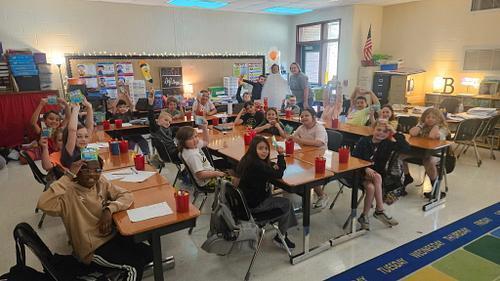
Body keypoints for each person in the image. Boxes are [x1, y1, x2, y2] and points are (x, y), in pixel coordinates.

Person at [37, 157, 152, 280]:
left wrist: (109, 210)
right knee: (134, 266)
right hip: (93, 248)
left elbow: (127, 195)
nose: (92, 174)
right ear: (78, 172)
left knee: (150, 253)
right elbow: (43, 203)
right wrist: (68, 175)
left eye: (97, 170)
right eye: (86, 170)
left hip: (111, 236)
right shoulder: (68, 193)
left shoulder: (100, 182)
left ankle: (117, 272)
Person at [236, 136, 297, 250]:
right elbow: (279, 174)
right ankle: (282, 235)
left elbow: (267, 168)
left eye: (266, 149)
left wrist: (271, 165)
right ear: (254, 149)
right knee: (287, 203)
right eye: (260, 148)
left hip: (245, 204)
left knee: (279, 200)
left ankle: (282, 228)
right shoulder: (258, 165)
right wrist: (280, 155)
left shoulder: (248, 160)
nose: (264, 151)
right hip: (255, 206)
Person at [350, 120, 409, 230]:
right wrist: (365, 167)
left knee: (371, 187)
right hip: (359, 172)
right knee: (377, 177)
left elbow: (406, 148)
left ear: (388, 134)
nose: (381, 133)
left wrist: (394, 132)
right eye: (378, 130)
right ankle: (380, 209)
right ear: (373, 129)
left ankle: (364, 216)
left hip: (375, 177)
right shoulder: (364, 140)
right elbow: (354, 158)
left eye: (385, 131)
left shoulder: (387, 144)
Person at [404, 108, 449, 199]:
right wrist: (421, 125)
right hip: (420, 151)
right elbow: (412, 132)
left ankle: (435, 188)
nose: (430, 119)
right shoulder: (422, 125)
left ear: (439, 119)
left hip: (436, 153)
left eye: (433, 117)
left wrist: (436, 125)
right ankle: (406, 176)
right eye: (428, 117)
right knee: (399, 154)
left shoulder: (443, 128)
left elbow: (432, 136)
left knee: (428, 160)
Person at [290, 108, 329, 208]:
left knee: (309, 172)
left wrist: (300, 141)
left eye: (306, 115)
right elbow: (293, 137)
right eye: (302, 116)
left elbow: (318, 143)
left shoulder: (319, 128)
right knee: (293, 164)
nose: (303, 118)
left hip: (319, 155)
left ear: (314, 117)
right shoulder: (301, 127)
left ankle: (322, 195)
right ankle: (302, 190)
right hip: (306, 153)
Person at [176, 123, 227, 189]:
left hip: (210, 173)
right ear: (183, 141)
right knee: (237, 181)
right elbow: (200, 175)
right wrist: (217, 173)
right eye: (190, 138)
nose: (195, 140)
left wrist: (204, 129)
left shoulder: (192, 146)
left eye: (196, 136)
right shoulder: (193, 156)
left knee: (232, 172)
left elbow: (206, 142)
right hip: (207, 181)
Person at [110, 92, 150, 156]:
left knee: (143, 142)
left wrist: (127, 95)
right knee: (130, 144)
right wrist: (119, 96)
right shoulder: (116, 115)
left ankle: (147, 156)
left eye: (124, 107)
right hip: (123, 135)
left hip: (133, 133)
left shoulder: (128, 113)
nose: (122, 108)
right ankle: (130, 157)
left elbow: (131, 105)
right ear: (117, 109)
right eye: (120, 107)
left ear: (126, 107)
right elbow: (113, 106)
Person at [147, 89, 179, 163]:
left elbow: (179, 129)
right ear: (158, 121)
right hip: (170, 154)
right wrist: (150, 104)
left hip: (174, 151)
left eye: (169, 122)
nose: (168, 123)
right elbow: (151, 118)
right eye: (165, 120)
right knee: (190, 150)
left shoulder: (170, 129)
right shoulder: (156, 129)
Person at [61, 99, 94, 168]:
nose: (83, 139)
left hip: (87, 176)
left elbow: (90, 126)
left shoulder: (82, 147)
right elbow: (72, 130)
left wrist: (89, 107)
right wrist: (75, 109)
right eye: (79, 137)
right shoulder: (70, 150)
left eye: (86, 136)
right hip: (73, 178)